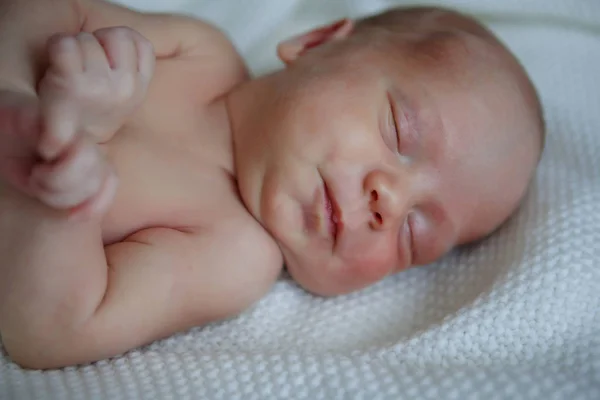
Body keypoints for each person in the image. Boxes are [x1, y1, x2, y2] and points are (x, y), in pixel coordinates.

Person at [0, 0, 544, 369]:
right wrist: (24, 89)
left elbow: (54, 332)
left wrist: (58, 192)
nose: (391, 202)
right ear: (315, 43)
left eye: (413, 236)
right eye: (399, 129)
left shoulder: (231, 253)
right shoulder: (198, 52)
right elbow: (41, 10)